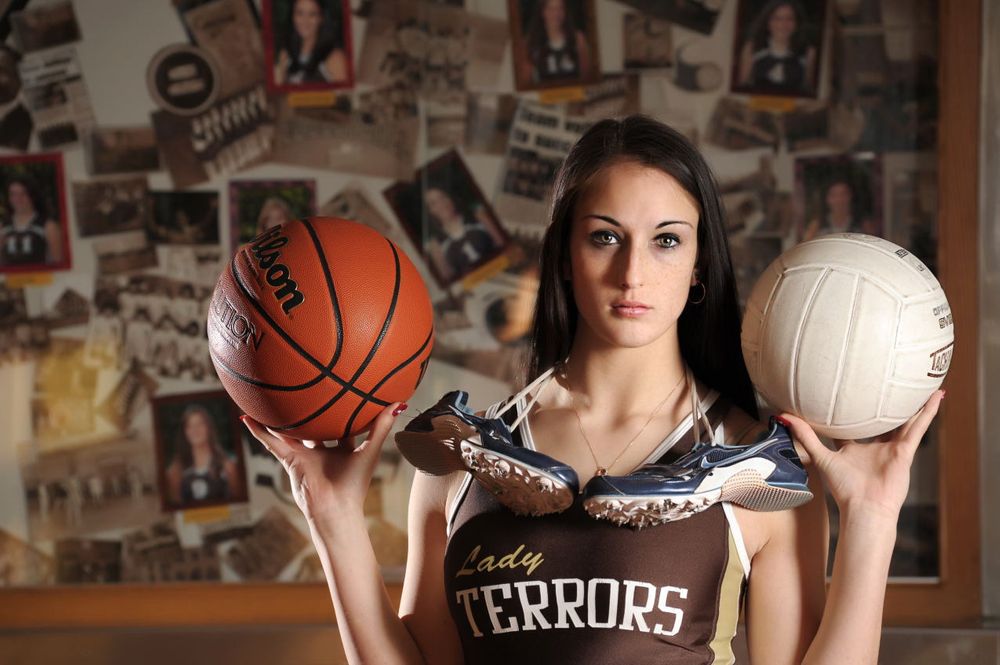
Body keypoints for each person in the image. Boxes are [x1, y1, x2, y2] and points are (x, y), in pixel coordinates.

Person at [243, 115, 943, 663]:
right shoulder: (460, 456)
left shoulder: (758, 470)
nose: (633, 272)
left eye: (667, 240)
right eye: (606, 237)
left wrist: (875, 516)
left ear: (700, 264)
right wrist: (332, 516)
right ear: (564, 256)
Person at [165, 405, 242, 506]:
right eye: (190, 426)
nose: (195, 430)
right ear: (185, 432)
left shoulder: (228, 466)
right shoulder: (175, 471)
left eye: (200, 424)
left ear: (209, 428)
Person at [423, 186, 504, 283]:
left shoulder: (477, 215)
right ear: (430, 211)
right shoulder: (435, 244)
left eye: (443, 197)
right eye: (433, 203)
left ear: (450, 197)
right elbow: (450, 281)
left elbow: (502, 244)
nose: (441, 204)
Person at [736, 0, 817, 95]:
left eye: (789, 19)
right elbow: (741, 90)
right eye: (777, 19)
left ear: (797, 23)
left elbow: (809, 92)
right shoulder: (751, 48)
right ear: (767, 22)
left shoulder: (809, 52)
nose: (783, 24)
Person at [516, 0, 594, 87]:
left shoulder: (578, 39)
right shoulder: (530, 43)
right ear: (543, 12)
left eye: (560, 8)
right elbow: (525, 82)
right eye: (551, 9)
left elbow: (587, 77)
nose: (556, 13)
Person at [273, 0, 349, 86]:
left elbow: (344, 96)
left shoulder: (335, 58)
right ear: (293, 17)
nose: (305, 21)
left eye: (312, 14)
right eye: (300, 13)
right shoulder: (285, 55)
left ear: (321, 18)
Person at [0, 175, 62, 267]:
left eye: (23, 193)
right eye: (13, 194)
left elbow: (59, 265)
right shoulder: (2, 226)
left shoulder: (49, 226)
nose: (18, 199)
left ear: (33, 196)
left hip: (40, 280)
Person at [802, 177, 874, 241]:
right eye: (834, 195)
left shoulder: (863, 224)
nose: (839, 200)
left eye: (843, 194)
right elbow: (805, 248)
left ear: (851, 196)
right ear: (827, 199)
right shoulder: (817, 225)